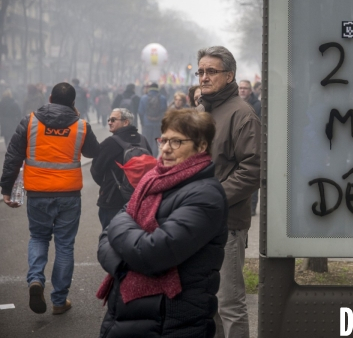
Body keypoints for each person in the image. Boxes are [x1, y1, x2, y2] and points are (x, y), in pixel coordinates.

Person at [96, 109, 228, 337]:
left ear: (202, 146)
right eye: (164, 140)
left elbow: (152, 253)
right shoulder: (153, 179)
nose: (166, 148)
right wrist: (125, 265)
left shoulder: (206, 196)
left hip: (171, 320)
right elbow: (104, 240)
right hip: (130, 314)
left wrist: (122, 228)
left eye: (177, 142)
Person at [0, 82, 100, 315]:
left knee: (38, 237)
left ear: (50, 97)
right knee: (65, 246)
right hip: (69, 195)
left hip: (38, 193)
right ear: (73, 103)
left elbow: (13, 156)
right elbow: (93, 152)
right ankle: (59, 300)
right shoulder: (81, 126)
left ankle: (35, 280)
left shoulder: (30, 121)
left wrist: (6, 189)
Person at [196, 46, 260, 338]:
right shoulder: (201, 111)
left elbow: (253, 169)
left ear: (229, 75)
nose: (204, 77)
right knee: (207, 302)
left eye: (211, 71)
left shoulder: (242, 114)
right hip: (196, 220)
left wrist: (213, 198)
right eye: (200, 72)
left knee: (229, 304)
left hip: (227, 224)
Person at [90, 108, 152, 229]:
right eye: (109, 119)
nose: (109, 122)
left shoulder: (110, 143)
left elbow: (96, 170)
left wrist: (107, 185)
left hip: (113, 200)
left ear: (126, 122)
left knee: (110, 238)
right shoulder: (143, 140)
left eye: (113, 119)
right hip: (139, 199)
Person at [238, 80, 261, 216]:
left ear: (250, 90)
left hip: (252, 144)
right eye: (240, 88)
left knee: (252, 175)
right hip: (239, 144)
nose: (242, 91)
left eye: (245, 88)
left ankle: (252, 206)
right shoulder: (234, 104)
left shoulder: (257, 105)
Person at [138, 82, 167, 156]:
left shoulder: (143, 98)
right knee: (156, 143)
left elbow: (140, 112)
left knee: (147, 142)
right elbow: (165, 112)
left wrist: (142, 123)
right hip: (158, 124)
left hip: (147, 123)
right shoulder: (163, 98)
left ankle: (148, 158)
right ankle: (154, 158)